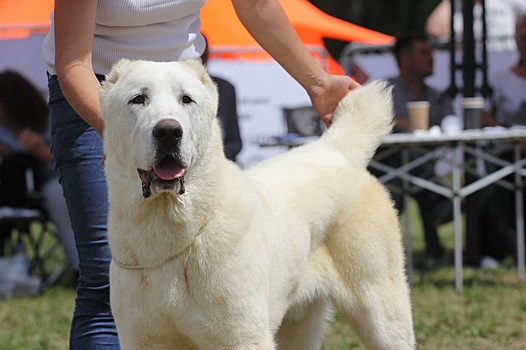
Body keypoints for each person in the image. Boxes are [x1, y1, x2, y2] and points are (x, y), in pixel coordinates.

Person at [43, 1, 359, 348]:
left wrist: (318, 84)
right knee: (108, 279)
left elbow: (257, 4)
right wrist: (120, 136)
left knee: (210, 264)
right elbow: (73, 61)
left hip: (183, 90)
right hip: (101, 93)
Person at [0, 69, 79, 276]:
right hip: (18, 192)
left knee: (58, 193)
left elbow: (74, 162)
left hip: (55, 181)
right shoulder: (3, 130)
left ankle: (78, 267)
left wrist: (42, 151)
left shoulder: (49, 121)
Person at [384, 33, 454, 263]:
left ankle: (439, 207)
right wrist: (411, 125)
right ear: (405, 58)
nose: (432, 57)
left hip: (420, 167)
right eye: (424, 52)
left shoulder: (436, 96)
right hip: (385, 169)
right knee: (409, 168)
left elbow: (451, 125)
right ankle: (441, 203)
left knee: (417, 166)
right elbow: (375, 122)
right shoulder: (383, 91)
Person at [477, 14, 526, 267]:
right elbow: (485, 114)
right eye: (523, 38)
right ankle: (499, 250)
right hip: (508, 154)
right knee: (492, 190)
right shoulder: (500, 79)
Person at [201, 34, 242, 162]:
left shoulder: (225, 88)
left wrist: (218, 157)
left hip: (219, 163)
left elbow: (235, 142)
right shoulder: (170, 90)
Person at [426, 0, 526, 51]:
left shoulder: (507, 3)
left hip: (506, 62)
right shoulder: (456, 7)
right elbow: (435, 31)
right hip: (470, 71)